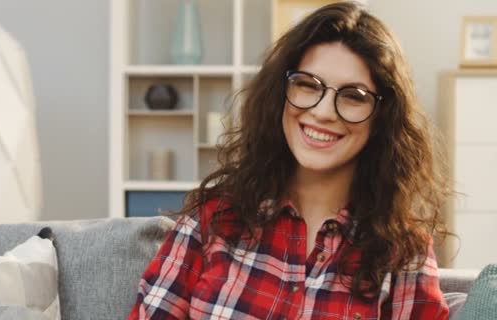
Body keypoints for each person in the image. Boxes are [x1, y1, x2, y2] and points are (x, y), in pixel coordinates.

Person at [128, 2, 450, 319]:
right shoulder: (212, 219)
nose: (322, 112)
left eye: (353, 96)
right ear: (281, 92)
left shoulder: (405, 254)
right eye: (308, 85)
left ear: (382, 117)